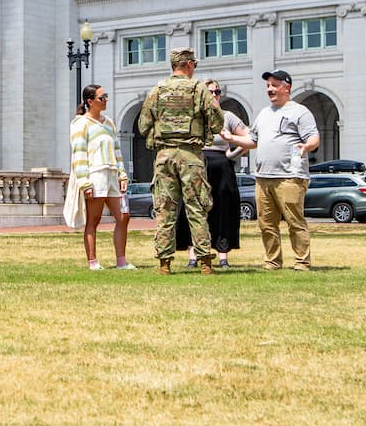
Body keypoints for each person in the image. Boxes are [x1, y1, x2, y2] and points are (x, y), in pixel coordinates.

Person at [137, 48, 223, 275]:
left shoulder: (157, 89)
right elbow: (216, 122)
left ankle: (164, 264)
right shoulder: (199, 89)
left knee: (165, 210)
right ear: (189, 65)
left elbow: (143, 125)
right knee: (197, 209)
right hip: (190, 155)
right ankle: (205, 262)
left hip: (164, 155)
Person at [223, 69, 319, 271]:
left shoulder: (300, 112)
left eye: (274, 85)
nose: (270, 89)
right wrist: (232, 139)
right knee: (266, 224)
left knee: (295, 222)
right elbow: (252, 140)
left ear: (287, 87)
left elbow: (314, 137)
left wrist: (306, 147)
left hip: (290, 177)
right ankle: (273, 262)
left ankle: (302, 262)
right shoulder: (265, 113)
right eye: (268, 85)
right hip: (263, 177)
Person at [175, 80, 250, 269]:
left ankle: (223, 256)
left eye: (217, 91)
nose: (215, 95)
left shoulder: (228, 117)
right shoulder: (193, 116)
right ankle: (193, 255)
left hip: (222, 166)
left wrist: (232, 150)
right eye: (210, 92)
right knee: (193, 207)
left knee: (223, 207)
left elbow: (250, 139)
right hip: (196, 165)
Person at [69, 84, 132, 270]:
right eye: (101, 97)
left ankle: (121, 261)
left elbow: (117, 150)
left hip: (112, 174)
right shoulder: (81, 123)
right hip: (95, 175)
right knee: (93, 220)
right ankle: (93, 261)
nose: (105, 100)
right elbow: (78, 153)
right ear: (90, 101)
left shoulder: (109, 123)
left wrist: (122, 174)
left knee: (123, 216)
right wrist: (84, 182)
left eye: (106, 96)